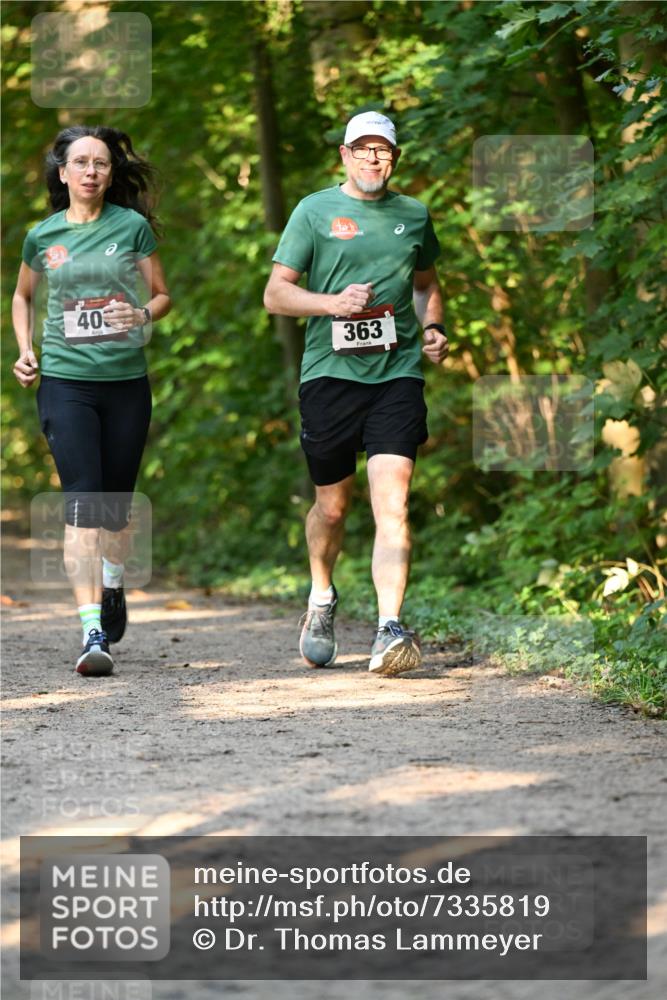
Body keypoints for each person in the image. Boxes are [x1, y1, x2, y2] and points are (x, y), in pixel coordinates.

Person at [264, 110, 448, 676]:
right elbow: (276, 294)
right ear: (344, 155)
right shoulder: (314, 210)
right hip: (329, 377)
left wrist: (435, 329)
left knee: (393, 503)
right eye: (362, 149)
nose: (373, 158)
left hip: (396, 376)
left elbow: (426, 284)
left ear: (394, 158)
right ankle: (322, 596)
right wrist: (331, 304)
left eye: (383, 150)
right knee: (333, 506)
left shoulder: (413, 215)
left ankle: (389, 627)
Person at [12, 125, 171, 677]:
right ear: (63, 173)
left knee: (116, 510)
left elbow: (163, 293)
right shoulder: (43, 236)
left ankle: (113, 580)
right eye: (80, 162)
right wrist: (26, 351)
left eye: (100, 163)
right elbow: (22, 296)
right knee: (83, 502)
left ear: (109, 174)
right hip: (66, 382)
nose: (90, 171)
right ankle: (91, 631)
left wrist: (144, 314)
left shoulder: (132, 228)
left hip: (126, 382)